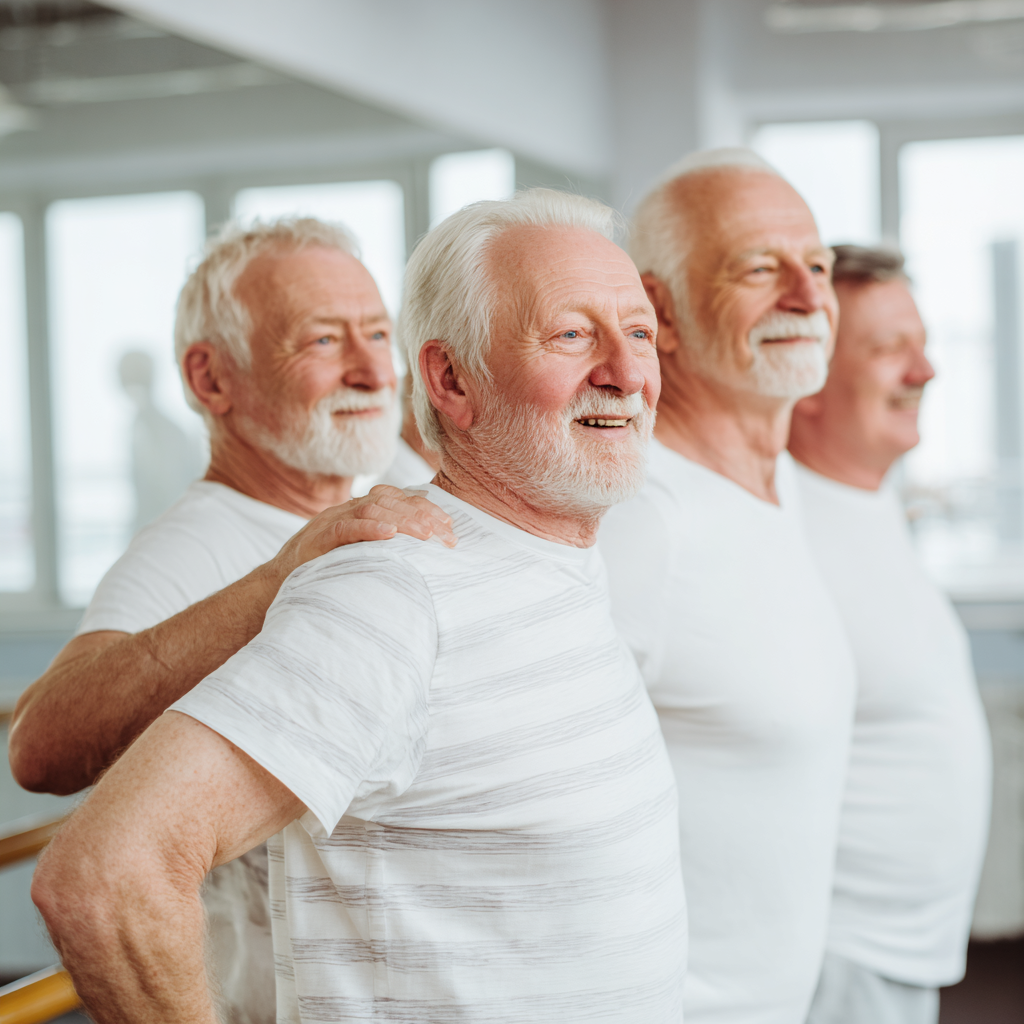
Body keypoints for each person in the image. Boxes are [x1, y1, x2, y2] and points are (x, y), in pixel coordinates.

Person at [31, 189, 687, 1024]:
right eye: (569, 333)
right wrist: (281, 576)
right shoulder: (387, 588)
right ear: (448, 378)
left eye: (638, 332)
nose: (628, 372)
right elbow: (98, 863)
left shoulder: (497, 542)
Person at [9, 217, 456, 1024]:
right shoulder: (194, 546)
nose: (369, 369)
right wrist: (279, 577)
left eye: (379, 334)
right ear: (212, 381)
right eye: (323, 340)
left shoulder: (379, 473)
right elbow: (41, 747)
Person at [598, 148, 857, 1023]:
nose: (806, 294)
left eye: (816, 266)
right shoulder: (641, 523)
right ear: (657, 313)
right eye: (758, 268)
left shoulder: (771, 488)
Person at [788, 245, 991, 1024]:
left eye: (922, 341)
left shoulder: (869, 501)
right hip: (836, 960)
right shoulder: (782, 526)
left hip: (897, 958)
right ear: (807, 381)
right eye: (887, 349)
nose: (926, 370)